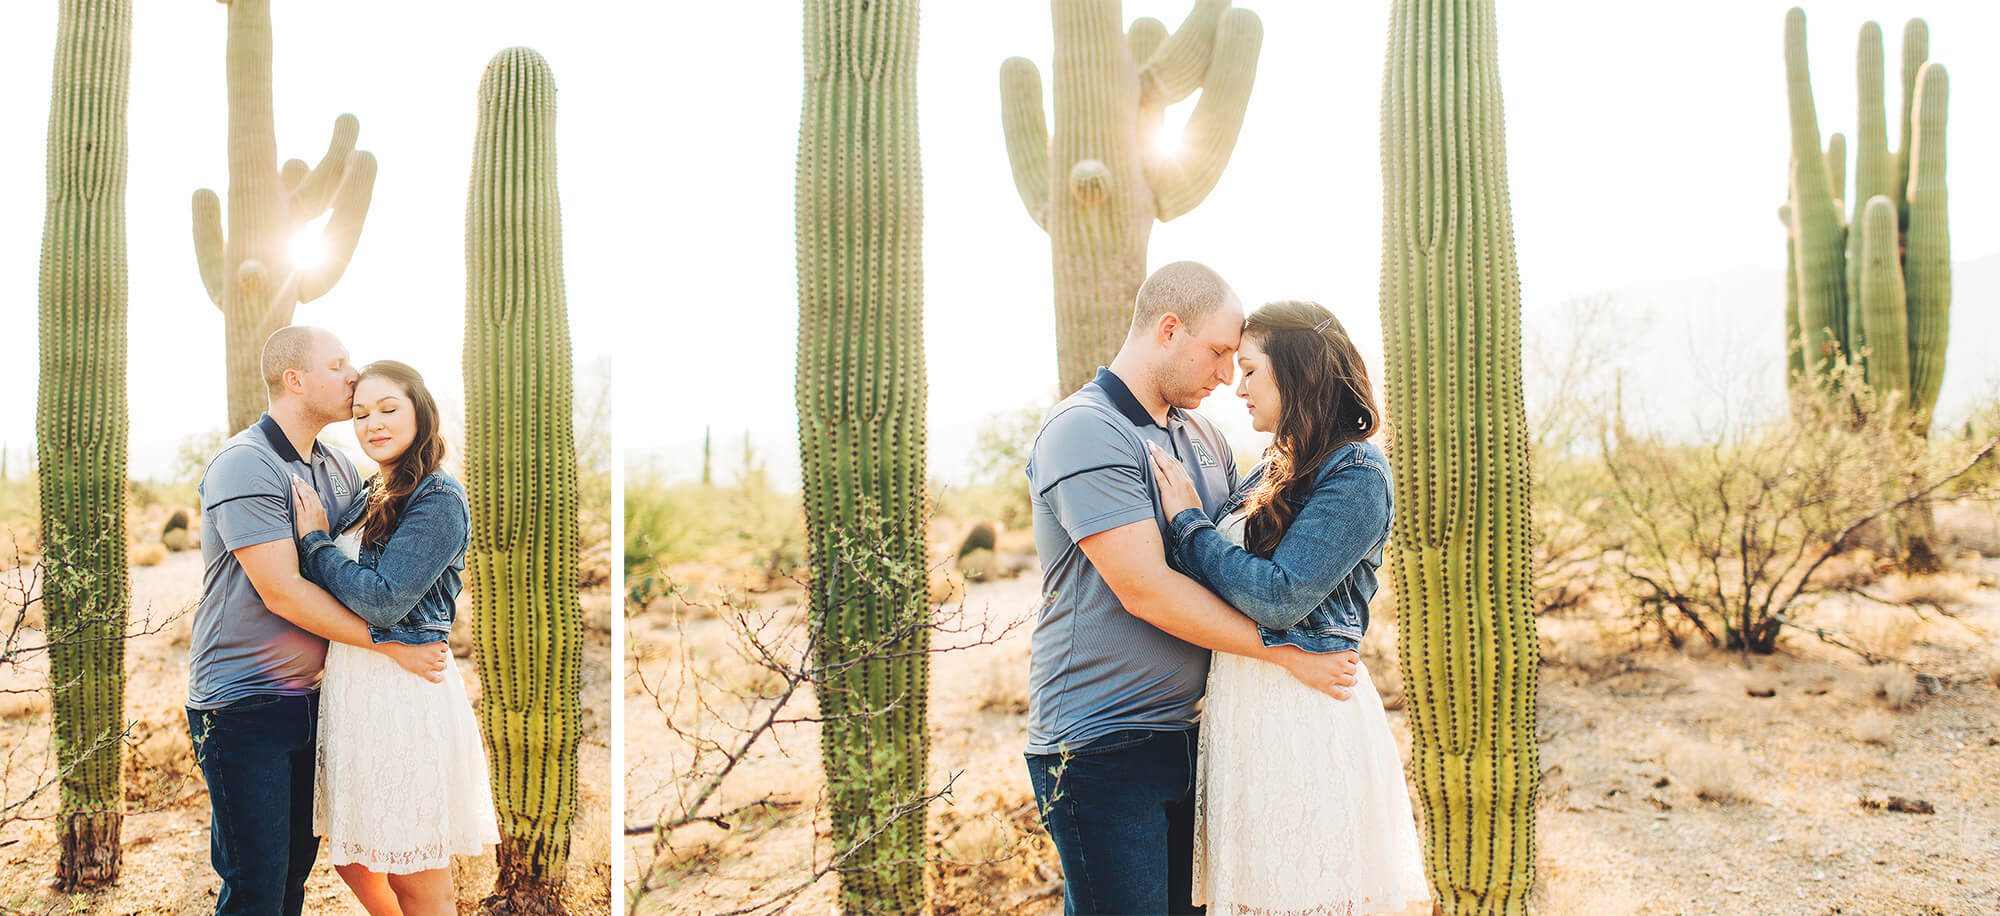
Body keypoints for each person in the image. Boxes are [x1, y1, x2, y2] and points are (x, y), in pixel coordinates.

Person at [1023, 262, 1361, 915]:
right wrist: (1284, 651)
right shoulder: (1085, 430)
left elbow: (1232, 562)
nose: (1227, 376)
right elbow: (1146, 588)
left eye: (1239, 360)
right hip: (1102, 742)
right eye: (1218, 353)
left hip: (1198, 734)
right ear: (1168, 329)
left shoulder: (1203, 436)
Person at [1148, 300, 1429, 914]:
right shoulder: (1276, 466)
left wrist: (1190, 523)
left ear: (1296, 372)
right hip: (1247, 710)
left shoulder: (1355, 470)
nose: (1237, 387)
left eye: (1250, 370)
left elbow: (1280, 596)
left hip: (1305, 713)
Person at [187, 327, 449, 916]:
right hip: (242, 702)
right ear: (295, 380)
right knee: (255, 882)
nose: (352, 375)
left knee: (290, 880)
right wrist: (390, 645)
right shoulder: (245, 463)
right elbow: (282, 592)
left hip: (316, 699)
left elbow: (363, 571)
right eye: (338, 365)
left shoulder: (336, 468)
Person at [290, 359, 499, 915]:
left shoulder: (438, 497)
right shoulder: (370, 491)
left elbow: (384, 598)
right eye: (360, 414)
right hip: (357, 688)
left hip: (406, 694)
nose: (372, 424)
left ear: (420, 412)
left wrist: (315, 543)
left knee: (416, 875)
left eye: (388, 409)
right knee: (352, 858)